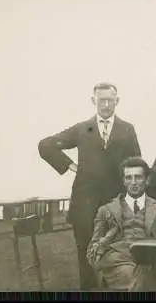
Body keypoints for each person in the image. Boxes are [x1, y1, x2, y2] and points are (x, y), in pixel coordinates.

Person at [38, 83, 141, 290]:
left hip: (115, 203)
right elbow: (45, 145)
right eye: (100, 100)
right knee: (86, 256)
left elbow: (136, 162)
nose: (105, 104)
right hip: (84, 204)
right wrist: (70, 165)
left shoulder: (127, 129)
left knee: (118, 253)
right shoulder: (81, 129)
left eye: (109, 100)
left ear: (117, 101)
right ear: (93, 101)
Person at [86, 157, 156, 291]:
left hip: (148, 259)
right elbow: (92, 250)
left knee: (141, 275)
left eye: (138, 177)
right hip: (117, 262)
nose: (133, 182)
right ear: (123, 181)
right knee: (134, 276)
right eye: (128, 178)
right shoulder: (105, 210)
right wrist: (99, 264)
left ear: (147, 180)